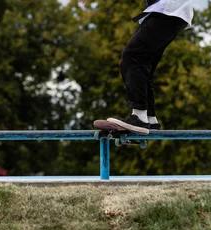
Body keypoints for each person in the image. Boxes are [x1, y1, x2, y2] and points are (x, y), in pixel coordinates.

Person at [80, 0, 194, 134]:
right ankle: (150, 119)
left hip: (169, 9)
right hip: (175, 12)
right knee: (144, 64)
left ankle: (140, 118)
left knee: (132, 56)